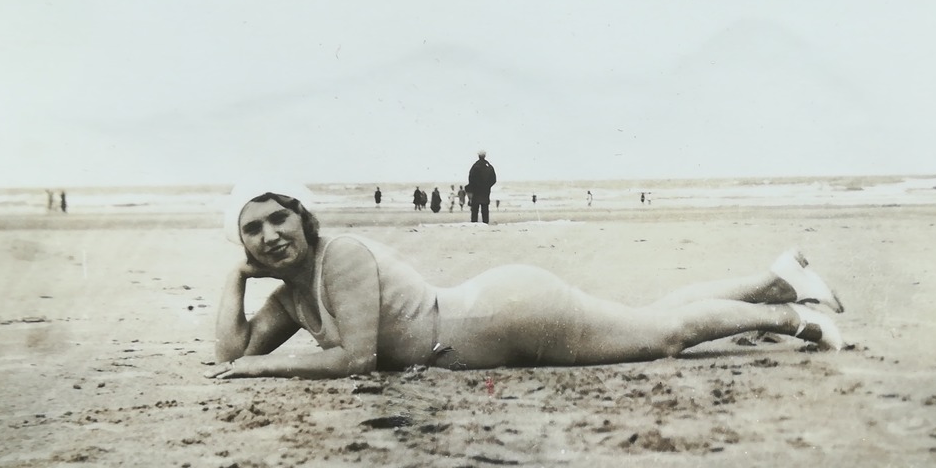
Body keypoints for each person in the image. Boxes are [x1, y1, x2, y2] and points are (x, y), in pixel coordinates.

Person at [210, 190, 846, 380]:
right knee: (644, 319)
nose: (268, 236)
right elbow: (232, 352)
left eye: (278, 220)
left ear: (304, 223)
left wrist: (265, 374)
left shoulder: (340, 257)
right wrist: (234, 281)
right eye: (252, 232)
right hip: (497, 316)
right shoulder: (290, 295)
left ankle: (795, 321)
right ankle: (776, 283)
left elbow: (358, 359)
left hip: (499, 316)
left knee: (662, 338)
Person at [467, 150, 496, 224]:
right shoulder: (489, 166)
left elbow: (470, 178)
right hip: (485, 191)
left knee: (475, 209)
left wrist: (473, 187)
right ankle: (485, 222)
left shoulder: (475, 166)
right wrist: (488, 186)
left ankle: (474, 222)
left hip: (476, 191)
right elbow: (493, 179)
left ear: (478, 156)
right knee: (485, 208)